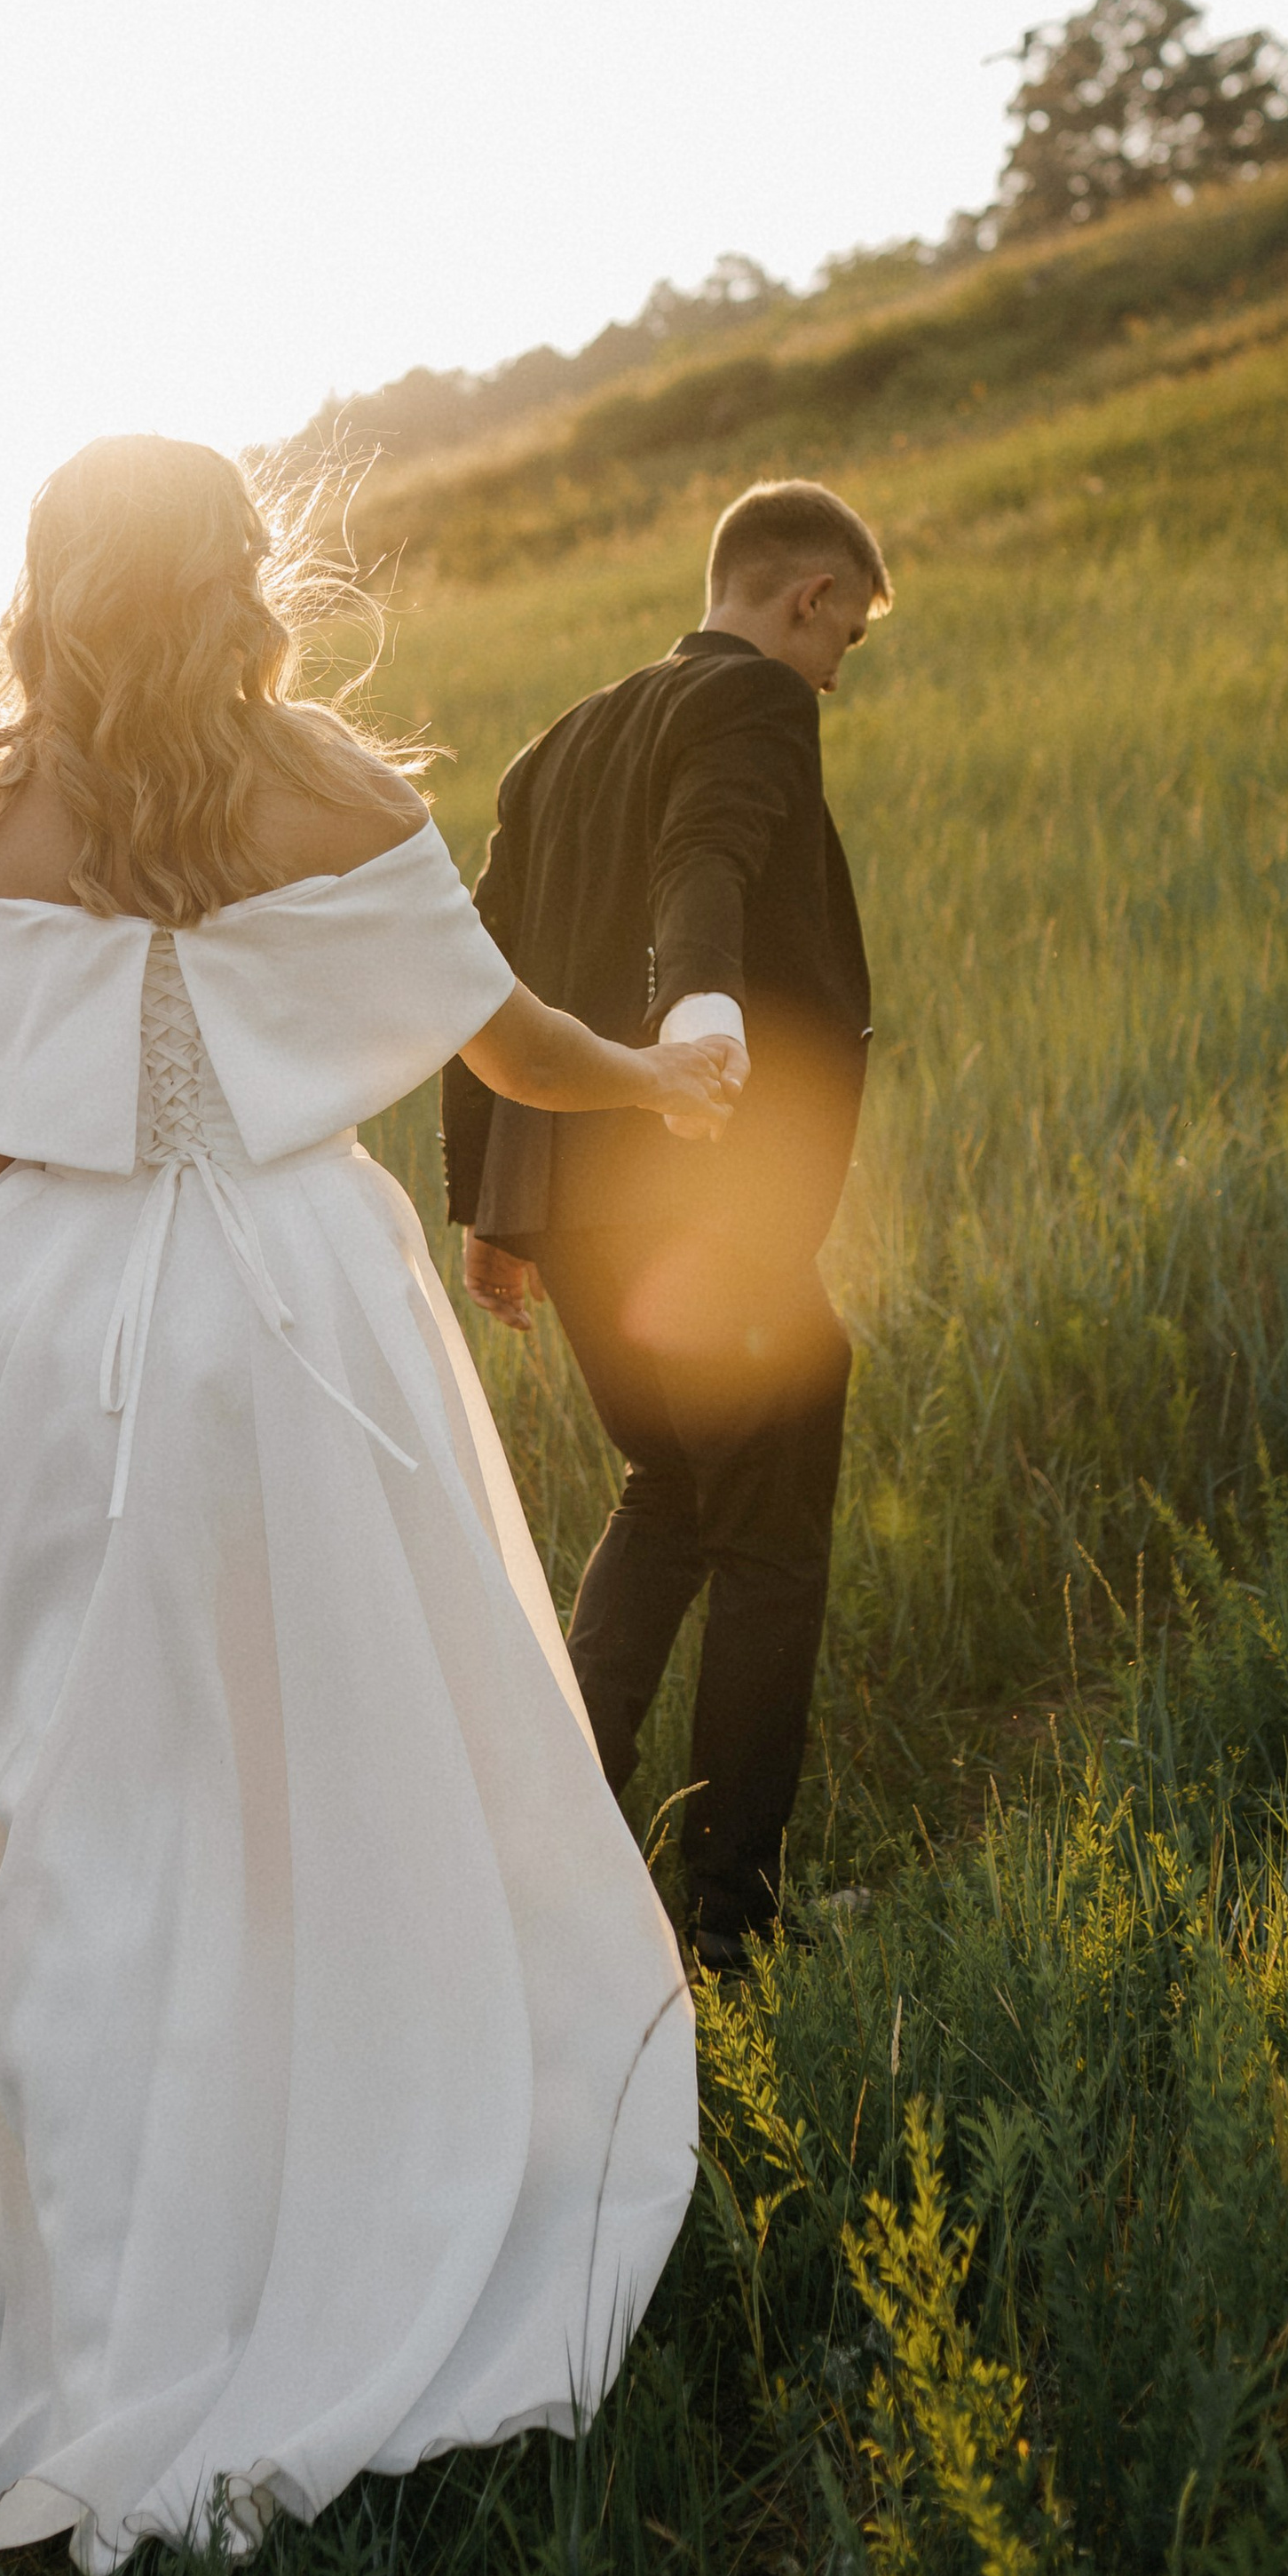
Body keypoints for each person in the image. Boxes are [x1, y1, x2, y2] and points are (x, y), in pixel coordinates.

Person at [0, 434, 724, 2573]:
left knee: (95, 1812)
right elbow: (508, 1041)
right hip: (300, 1321)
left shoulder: (5, 805)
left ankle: (118, 2297)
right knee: (354, 1761)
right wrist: (652, 1077)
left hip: (70, 1350)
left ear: (47, 584)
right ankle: (387, 2162)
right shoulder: (334, 786)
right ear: (240, 576)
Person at [443, 480, 888, 1976]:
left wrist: (485, 1213)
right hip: (699, 1200)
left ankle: (548, 1851)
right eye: (848, 638)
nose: (837, 672)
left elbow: (477, 981)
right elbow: (711, 853)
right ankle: (734, 1926)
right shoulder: (758, 703)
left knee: (669, 1493)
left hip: (573, 1220)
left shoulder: (553, 748)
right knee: (769, 1531)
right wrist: (699, 1010)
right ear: (808, 595)